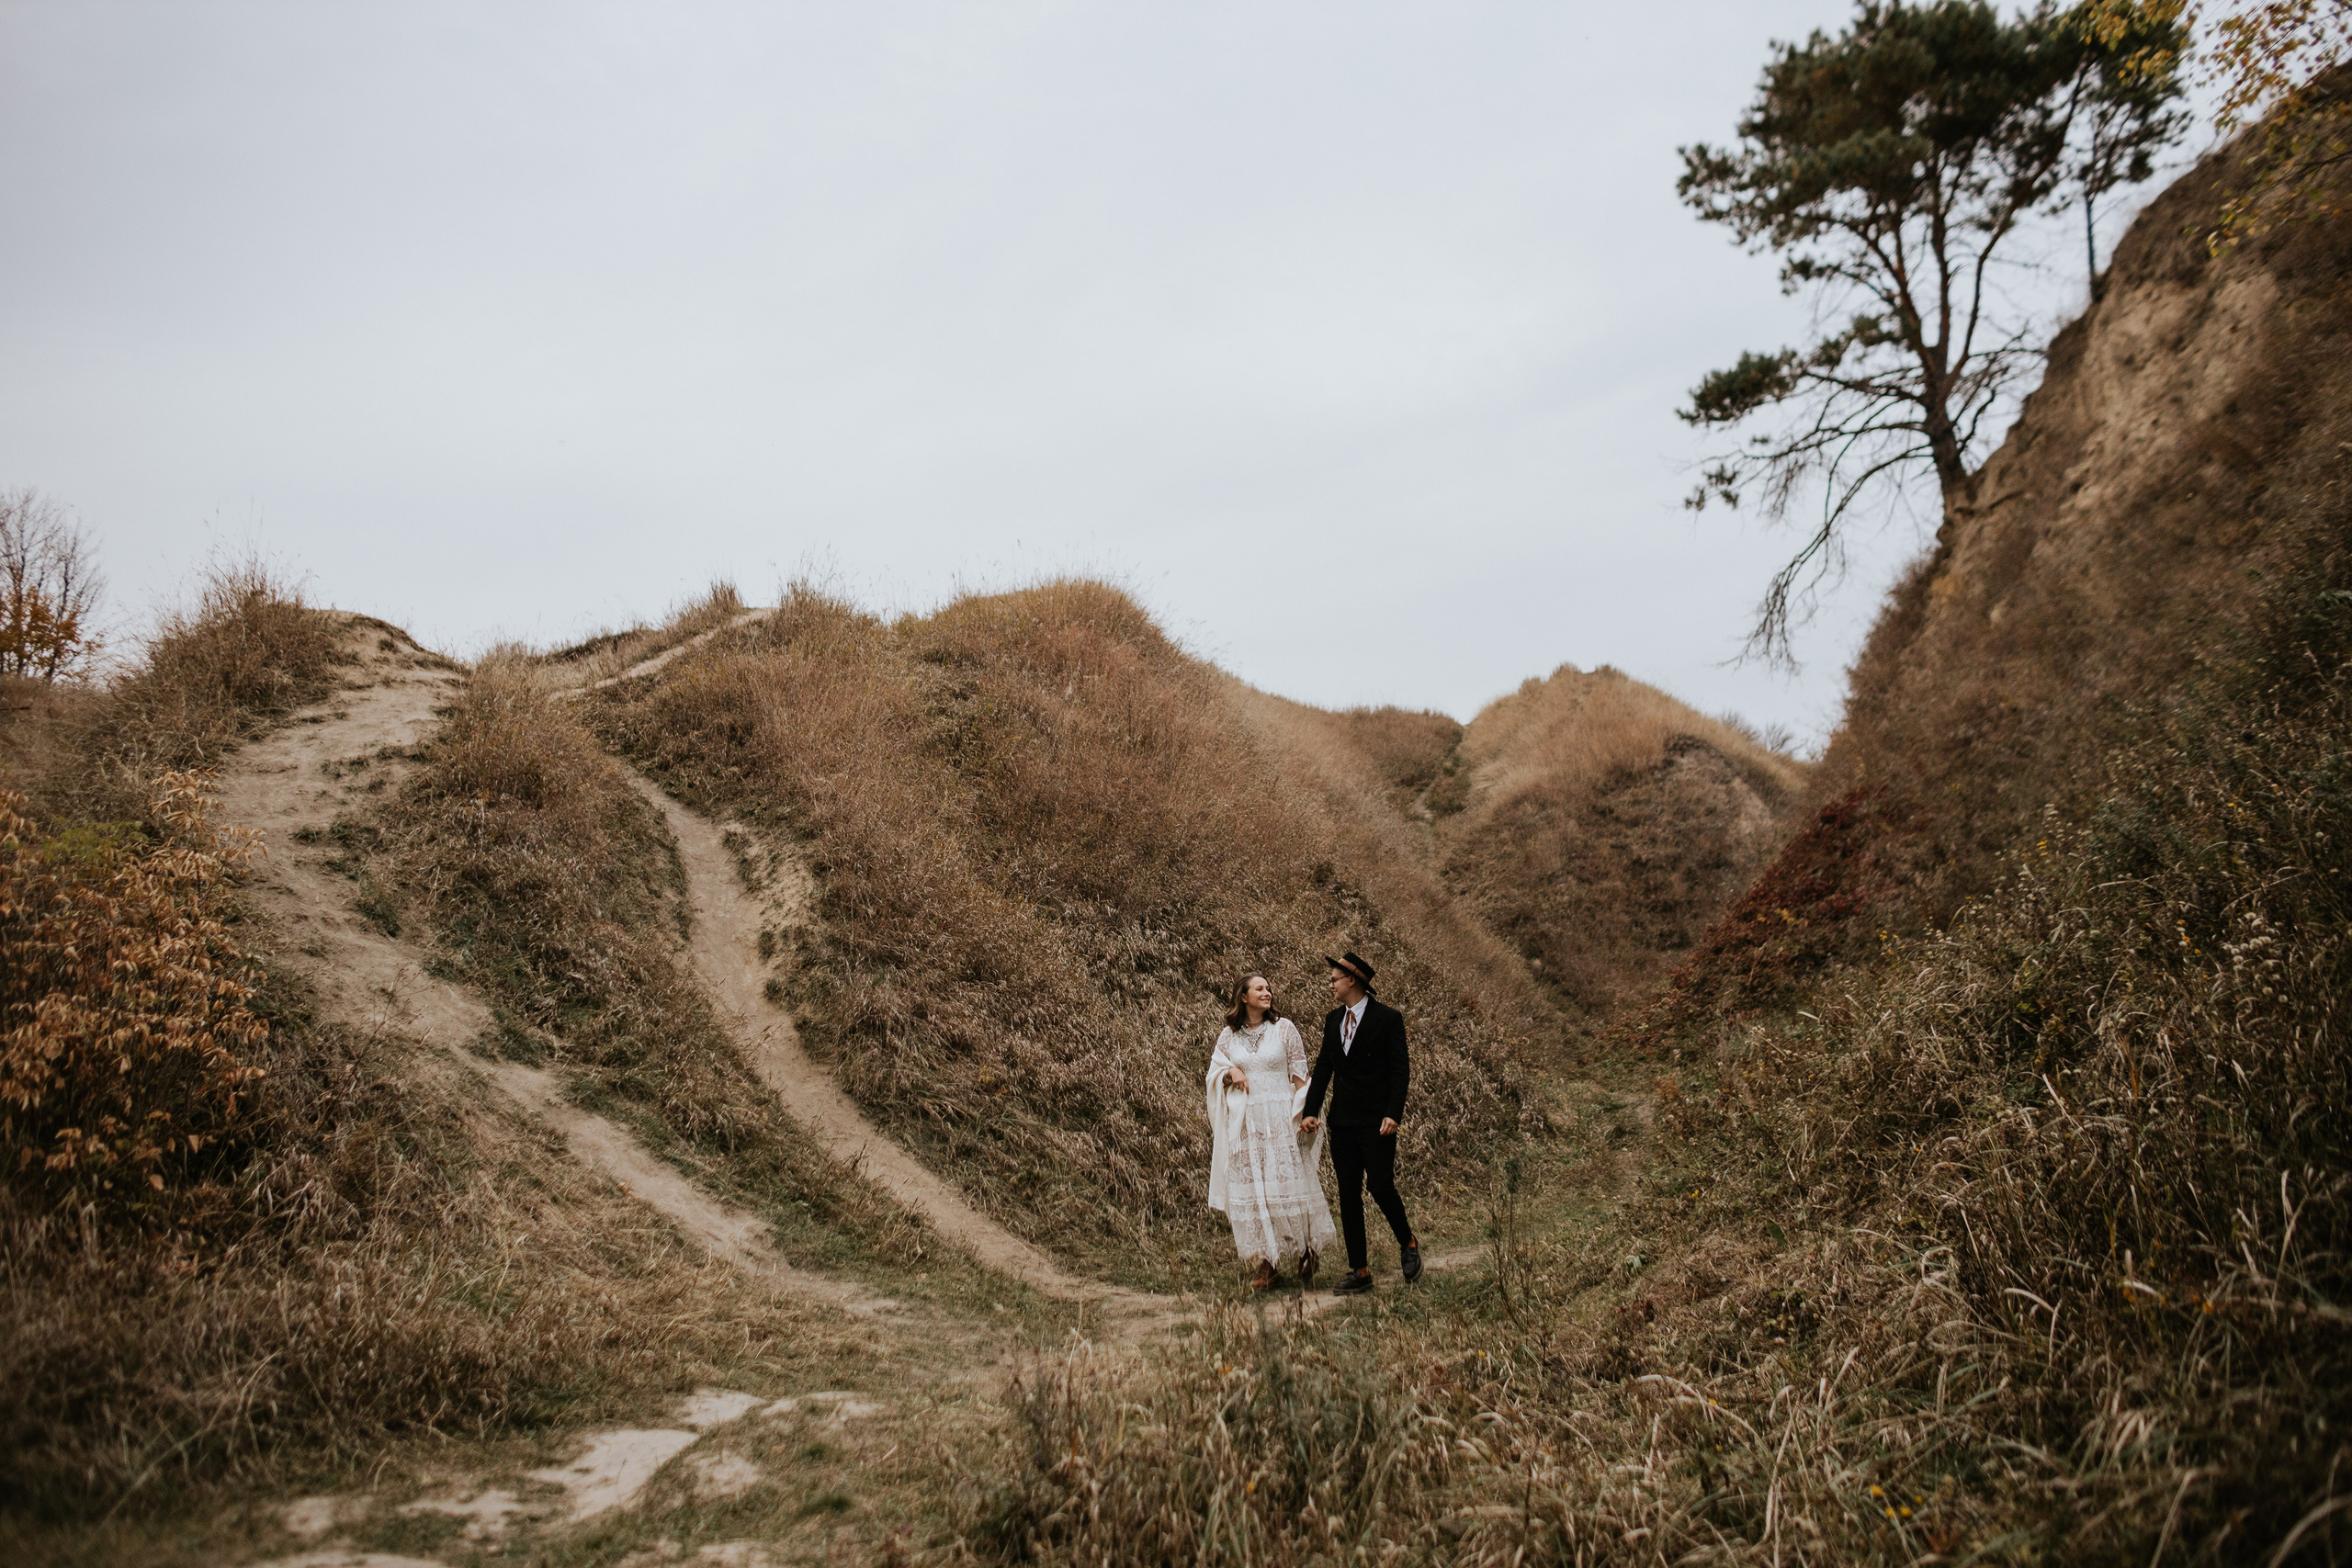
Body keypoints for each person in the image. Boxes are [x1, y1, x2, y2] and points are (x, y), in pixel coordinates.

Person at [1298, 950, 1420, 1296]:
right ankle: (1360, 1271)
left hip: (1377, 1122)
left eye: (1335, 978)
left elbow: (1400, 1071)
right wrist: (1311, 1109)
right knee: (1348, 1193)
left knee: (1380, 1186)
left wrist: (1393, 1113)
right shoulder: (1333, 1019)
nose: (1331, 983)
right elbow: (1324, 1067)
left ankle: (1408, 1242)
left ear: (1352, 980)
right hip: (1343, 1121)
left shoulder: (1387, 1019)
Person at [1204, 973, 1337, 1291]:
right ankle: (1267, 1267)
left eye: (1268, 988)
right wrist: (1231, 1071)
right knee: (1257, 1193)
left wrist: (1308, 1113)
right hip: (1248, 1124)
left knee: (1290, 1184)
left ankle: (1308, 1249)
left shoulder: (1284, 1029)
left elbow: (1300, 1075)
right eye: (1259, 989)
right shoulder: (1228, 1036)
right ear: (1244, 997)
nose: (1267, 992)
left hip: (1280, 1119)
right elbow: (1215, 1071)